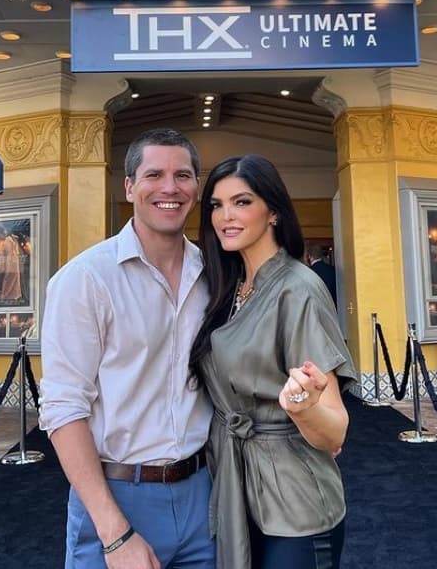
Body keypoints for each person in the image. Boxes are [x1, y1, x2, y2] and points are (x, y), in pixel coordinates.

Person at [39, 128, 214, 569]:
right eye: (154, 174)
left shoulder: (216, 275)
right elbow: (63, 408)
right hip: (118, 495)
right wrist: (115, 535)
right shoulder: (85, 279)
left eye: (183, 175)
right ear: (130, 186)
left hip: (204, 493)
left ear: (196, 187)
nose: (170, 188)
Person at [189, 154, 357, 569]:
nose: (225, 216)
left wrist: (302, 410)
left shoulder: (298, 289)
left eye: (242, 202)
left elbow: (335, 431)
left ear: (275, 212)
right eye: (216, 204)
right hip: (235, 484)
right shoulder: (228, 287)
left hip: (293, 500)